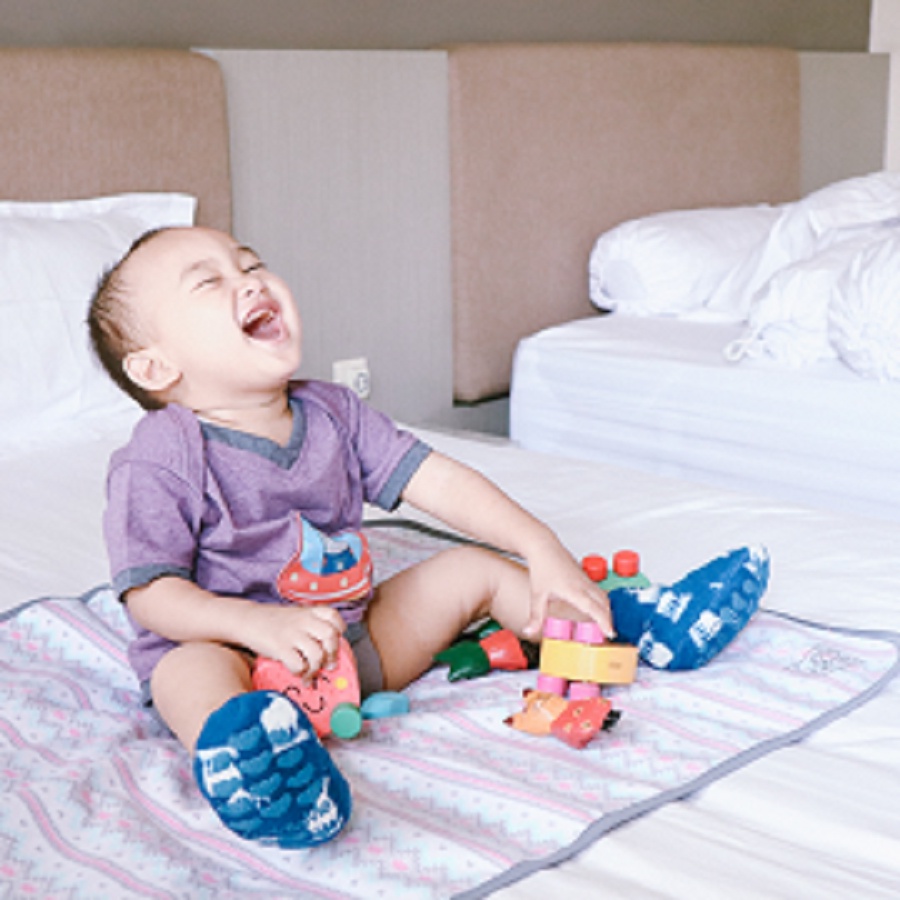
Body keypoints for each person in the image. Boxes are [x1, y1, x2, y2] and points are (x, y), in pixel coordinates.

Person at [87, 226, 615, 849]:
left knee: (477, 568)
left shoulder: (334, 412)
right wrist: (256, 627)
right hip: (233, 657)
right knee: (185, 671)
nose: (250, 281)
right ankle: (259, 770)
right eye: (209, 282)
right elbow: (151, 596)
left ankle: (597, 630)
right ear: (155, 367)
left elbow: (440, 481)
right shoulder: (159, 455)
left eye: (250, 265)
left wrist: (540, 545)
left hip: (350, 649)